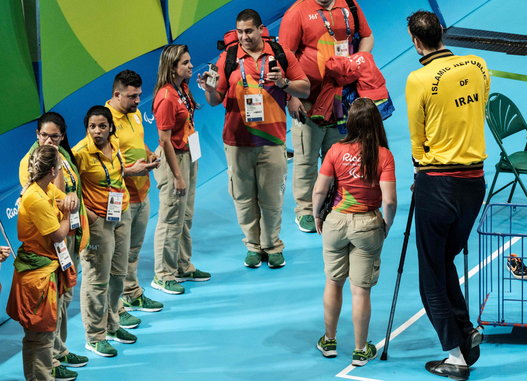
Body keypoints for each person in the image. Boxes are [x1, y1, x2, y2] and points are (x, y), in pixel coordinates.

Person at [405, 11, 490, 380]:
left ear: (415, 40)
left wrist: (421, 168)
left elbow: (416, 136)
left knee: (430, 271)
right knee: (446, 260)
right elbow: (477, 106)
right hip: (474, 184)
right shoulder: (479, 64)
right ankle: (465, 330)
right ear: (441, 31)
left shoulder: (418, 78)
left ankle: (455, 357)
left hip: (437, 182)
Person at [200, 9, 310, 268]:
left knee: (271, 199)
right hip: (237, 143)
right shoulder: (227, 57)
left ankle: (272, 246)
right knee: (244, 198)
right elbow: (215, 101)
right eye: (239, 32)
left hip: (272, 140)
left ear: (261, 29)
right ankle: (252, 245)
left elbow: (304, 87)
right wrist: (208, 89)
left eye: (248, 31)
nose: (244, 37)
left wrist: (283, 83)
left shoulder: (280, 54)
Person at [312, 98, 396, 366]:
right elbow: (390, 201)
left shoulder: (335, 150)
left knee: (333, 282)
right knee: (360, 291)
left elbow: (320, 190)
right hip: (367, 225)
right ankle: (361, 350)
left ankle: (329, 341)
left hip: (335, 223)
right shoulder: (384, 155)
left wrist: (316, 215)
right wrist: (386, 224)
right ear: (376, 122)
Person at [279, 0, 374, 233]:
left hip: (341, 97)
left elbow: (367, 36)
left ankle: (333, 200)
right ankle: (305, 210)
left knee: (337, 155)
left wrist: (357, 61)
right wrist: (291, 96)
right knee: (306, 158)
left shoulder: (349, 4)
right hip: (309, 100)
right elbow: (284, 57)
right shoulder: (297, 12)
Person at [18, 112, 90, 376]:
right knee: (46, 315)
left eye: (55, 136)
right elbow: (56, 212)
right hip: (46, 253)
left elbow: (65, 195)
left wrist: (70, 200)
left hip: (63, 245)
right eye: (45, 135)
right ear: (37, 134)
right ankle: (51, 363)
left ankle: (58, 351)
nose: (49, 140)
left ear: (62, 136)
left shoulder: (63, 157)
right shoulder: (34, 165)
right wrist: (69, 210)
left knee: (63, 299)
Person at [7, 145, 77, 380]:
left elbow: (68, 198)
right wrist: (67, 215)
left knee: (44, 334)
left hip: (47, 269)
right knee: (39, 336)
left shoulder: (45, 189)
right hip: (36, 278)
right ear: (54, 170)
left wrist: (70, 200)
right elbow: (58, 234)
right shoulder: (35, 198)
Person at [73, 106, 136, 357]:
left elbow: (118, 175)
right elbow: (70, 190)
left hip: (122, 212)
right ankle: (94, 336)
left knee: (119, 275)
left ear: (110, 127)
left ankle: (112, 325)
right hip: (98, 222)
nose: (97, 131)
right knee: (96, 280)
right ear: (87, 128)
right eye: (92, 126)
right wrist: (91, 217)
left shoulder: (116, 142)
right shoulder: (79, 153)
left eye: (102, 126)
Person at [106, 70, 163, 328]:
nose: (138, 100)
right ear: (117, 94)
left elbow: (137, 144)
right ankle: (115, 309)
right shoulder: (104, 123)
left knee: (133, 251)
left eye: (139, 95)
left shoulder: (135, 114)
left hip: (142, 193)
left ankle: (131, 294)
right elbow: (102, 168)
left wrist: (149, 155)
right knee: (116, 257)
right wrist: (131, 170)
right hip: (120, 199)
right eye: (132, 96)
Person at [152, 44, 211, 295]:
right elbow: (164, 141)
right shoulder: (165, 97)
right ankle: (163, 274)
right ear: (173, 67)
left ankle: (183, 265)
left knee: (185, 215)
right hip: (173, 159)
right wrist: (177, 176)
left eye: (189, 61)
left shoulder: (182, 88)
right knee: (170, 218)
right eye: (185, 63)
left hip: (189, 154)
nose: (190, 65)